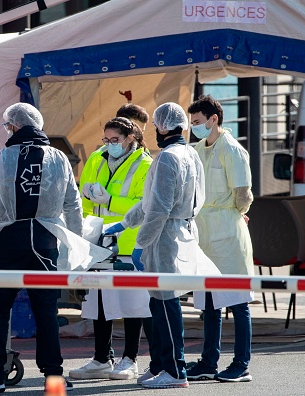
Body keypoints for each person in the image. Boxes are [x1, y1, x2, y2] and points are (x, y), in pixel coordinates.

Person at [0, 103, 84, 393]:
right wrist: (78, 241)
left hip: (10, 239)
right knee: (45, 310)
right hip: (44, 240)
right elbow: (73, 203)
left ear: (15, 126)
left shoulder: (4, 156)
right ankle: (54, 375)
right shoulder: (58, 158)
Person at [105, 102, 206, 389]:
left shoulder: (167, 158)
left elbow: (158, 208)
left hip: (163, 238)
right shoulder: (189, 153)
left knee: (166, 305)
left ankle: (175, 371)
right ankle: (161, 363)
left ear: (161, 126)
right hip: (179, 231)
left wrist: (140, 242)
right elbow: (151, 202)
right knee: (159, 302)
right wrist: (126, 222)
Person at [69, 114, 155, 381]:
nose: (109, 145)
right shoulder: (97, 158)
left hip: (129, 241)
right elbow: (82, 195)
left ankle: (130, 359)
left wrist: (110, 201)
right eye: (106, 140)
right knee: (99, 303)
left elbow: (144, 205)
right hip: (98, 241)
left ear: (131, 139)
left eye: (114, 140)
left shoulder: (145, 165)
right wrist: (82, 226)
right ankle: (101, 358)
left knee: (133, 304)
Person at [186, 95, 254, 382]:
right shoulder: (197, 148)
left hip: (227, 229)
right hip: (204, 231)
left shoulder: (233, 149)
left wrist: (236, 213)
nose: (194, 128)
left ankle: (242, 363)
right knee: (209, 302)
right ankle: (209, 360)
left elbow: (243, 195)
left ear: (214, 119)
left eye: (198, 122)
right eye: (192, 123)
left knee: (238, 301)